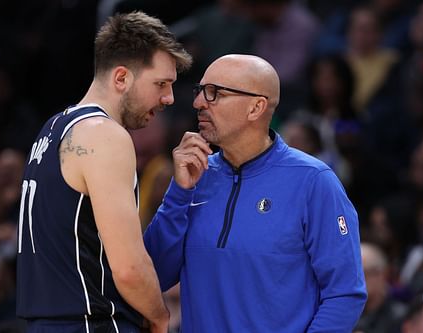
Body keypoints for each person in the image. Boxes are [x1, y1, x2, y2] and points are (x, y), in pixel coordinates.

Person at [144, 54, 367, 332]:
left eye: (214, 93)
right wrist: (178, 194)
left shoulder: (314, 181)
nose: (198, 103)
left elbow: (344, 293)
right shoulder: (193, 175)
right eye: (200, 91)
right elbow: (154, 278)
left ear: (256, 107)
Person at [16, 11, 192, 333]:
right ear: (121, 78)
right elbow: (128, 268)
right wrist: (160, 316)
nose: (168, 98)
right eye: (161, 84)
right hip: (92, 322)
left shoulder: (52, 128)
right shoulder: (105, 135)